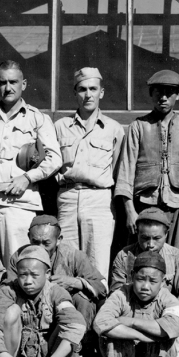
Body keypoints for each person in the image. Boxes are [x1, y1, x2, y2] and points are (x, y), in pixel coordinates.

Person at [0, 60, 62, 266]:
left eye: (13, 82)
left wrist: (27, 178)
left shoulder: (38, 119)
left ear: (24, 84)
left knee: (20, 262)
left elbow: (55, 159)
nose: (7, 88)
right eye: (2, 83)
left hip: (19, 201)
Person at [114, 70, 179, 254]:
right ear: (151, 94)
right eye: (158, 92)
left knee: (177, 259)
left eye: (169, 92)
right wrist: (130, 211)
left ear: (177, 95)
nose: (163, 97)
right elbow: (125, 174)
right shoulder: (138, 127)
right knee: (143, 259)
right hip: (146, 206)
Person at [53, 67, 125, 278]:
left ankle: (97, 309)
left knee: (97, 264)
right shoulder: (60, 126)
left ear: (101, 92)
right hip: (67, 197)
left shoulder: (113, 128)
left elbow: (118, 169)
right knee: (66, 262)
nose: (88, 94)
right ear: (75, 92)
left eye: (93, 89)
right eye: (82, 89)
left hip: (99, 199)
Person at [110, 208, 179, 357]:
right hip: (133, 311)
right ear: (137, 233)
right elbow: (116, 292)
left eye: (156, 238)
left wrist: (168, 307)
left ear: (166, 234)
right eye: (144, 238)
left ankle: (172, 350)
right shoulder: (124, 255)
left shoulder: (177, 256)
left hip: (163, 312)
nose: (150, 244)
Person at [94, 251, 179, 357]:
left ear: (162, 282)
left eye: (153, 281)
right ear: (132, 276)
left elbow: (174, 326)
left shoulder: (168, 298)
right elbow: (100, 323)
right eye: (140, 279)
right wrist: (142, 336)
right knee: (107, 335)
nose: (145, 287)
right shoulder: (121, 294)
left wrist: (131, 322)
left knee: (170, 336)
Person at [7, 215, 107, 337]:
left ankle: (79, 344)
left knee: (83, 299)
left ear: (59, 239)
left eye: (46, 243)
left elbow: (102, 286)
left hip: (65, 311)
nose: (40, 248)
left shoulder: (74, 256)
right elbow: (8, 290)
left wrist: (73, 282)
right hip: (30, 309)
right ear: (29, 237)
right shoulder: (19, 257)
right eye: (35, 242)